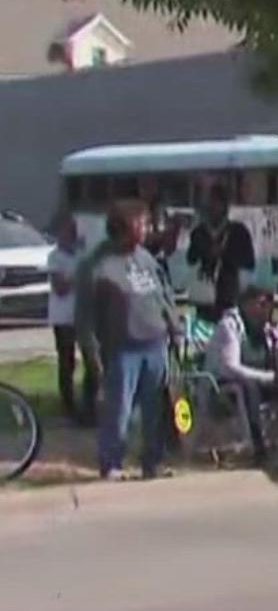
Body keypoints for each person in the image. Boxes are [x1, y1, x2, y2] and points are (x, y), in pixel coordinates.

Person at [78, 199, 182, 481]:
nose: (148, 229)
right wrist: (92, 356)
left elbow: (163, 293)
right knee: (119, 410)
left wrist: (175, 325)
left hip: (156, 344)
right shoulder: (97, 265)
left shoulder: (145, 257)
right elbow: (85, 317)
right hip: (122, 348)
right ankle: (112, 463)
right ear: (125, 227)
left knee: (156, 410)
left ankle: (153, 462)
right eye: (144, 223)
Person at [209, 284, 278, 465]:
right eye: (262, 303)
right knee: (250, 388)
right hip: (226, 385)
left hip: (262, 379)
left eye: (270, 303)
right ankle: (258, 449)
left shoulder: (272, 330)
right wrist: (271, 378)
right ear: (247, 304)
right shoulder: (230, 326)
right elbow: (230, 367)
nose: (267, 308)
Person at [46, 211, 94, 427]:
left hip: (83, 316)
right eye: (68, 230)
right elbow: (60, 287)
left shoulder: (82, 255)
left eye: (74, 229)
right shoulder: (55, 257)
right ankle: (68, 407)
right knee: (67, 362)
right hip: (63, 316)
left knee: (91, 360)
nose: (72, 234)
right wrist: (79, 275)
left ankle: (89, 406)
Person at [186, 185, 256, 325]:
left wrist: (225, 255)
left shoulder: (238, 231)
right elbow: (191, 259)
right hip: (204, 295)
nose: (212, 208)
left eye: (216, 203)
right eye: (209, 204)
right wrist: (205, 252)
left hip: (229, 295)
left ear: (225, 207)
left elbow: (249, 262)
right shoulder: (199, 232)